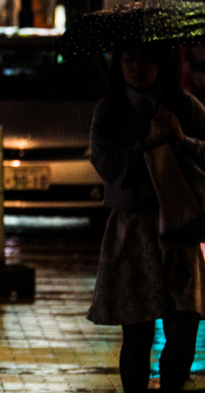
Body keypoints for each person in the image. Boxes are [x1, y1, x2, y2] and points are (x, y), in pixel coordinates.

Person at [88, 42, 205, 392]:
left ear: (162, 63)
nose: (137, 67)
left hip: (180, 228)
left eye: (147, 59)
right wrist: (145, 146)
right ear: (119, 64)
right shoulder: (109, 111)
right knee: (137, 333)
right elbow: (106, 164)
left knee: (185, 328)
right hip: (132, 229)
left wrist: (182, 140)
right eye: (129, 59)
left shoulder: (184, 106)